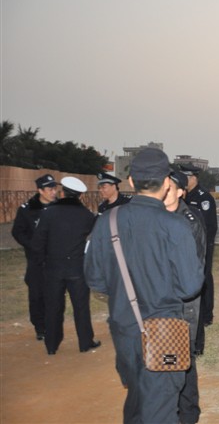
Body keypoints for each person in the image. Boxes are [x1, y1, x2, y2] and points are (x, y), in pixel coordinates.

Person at [84, 148, 204, 424]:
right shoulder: (176, 226)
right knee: (160, 407)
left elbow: (96, 279)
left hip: (124, 329)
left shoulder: (106, 221)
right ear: (166, 183)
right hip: (164, 332)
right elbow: (189, 287)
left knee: (137, 399)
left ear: (130, 182)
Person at [32, 176, 98, 355]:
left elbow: (38, 242)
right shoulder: (87, 215)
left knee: (53, 307)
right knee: (81, 307)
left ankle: (51, 345)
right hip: (77, 267)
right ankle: (85, 342)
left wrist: (43, 261)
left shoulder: (48, 213)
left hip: (53, 268)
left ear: (62, 193)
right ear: (80, 196)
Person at [165, 171, 206, 424]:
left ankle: (188, 413)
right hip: (163, 298)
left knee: (183, 356)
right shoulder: (157, 217)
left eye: (170, 187)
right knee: (164, 355)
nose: (164, 190)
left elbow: (192, 267)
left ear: (181, 192)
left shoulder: (189, 221)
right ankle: (170, 408)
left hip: (184, 299)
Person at [11, 173, 58, 341]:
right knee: (37, 295)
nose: (53, 192)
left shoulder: (59, 207)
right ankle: (40, 327)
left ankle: (53, 325)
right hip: (36, 261)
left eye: (54, 188)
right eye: (49, 189)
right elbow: (17, 232)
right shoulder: (27, 209)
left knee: (55, 295)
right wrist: (32, 245)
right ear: (40, 190)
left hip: (56, 260)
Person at [180, 163, 217, 340]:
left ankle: (207, 315)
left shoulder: (204, 198)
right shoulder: (181, 196)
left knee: (204, 278)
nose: (184, 181)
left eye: (186, 177)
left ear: (194, 178)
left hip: (202, 246)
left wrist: (204, 248)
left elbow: (210, 227)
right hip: (184, 247)